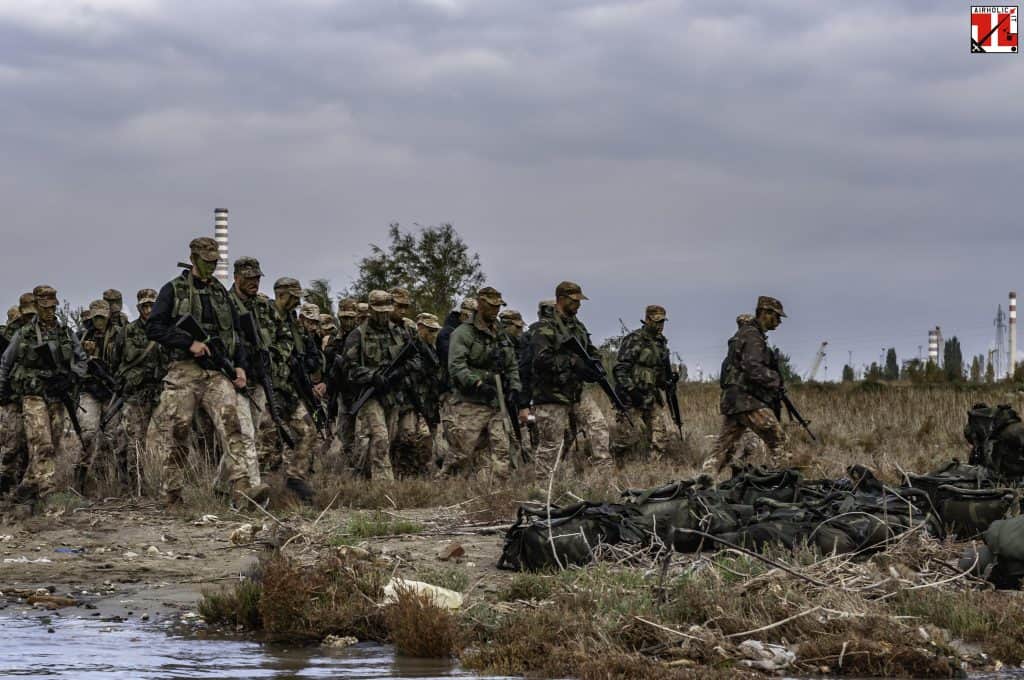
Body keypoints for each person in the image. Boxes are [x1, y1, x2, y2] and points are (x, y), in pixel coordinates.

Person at [146, 237, 267, 507]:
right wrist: (188, 343)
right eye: (206, 261)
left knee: (232, 425)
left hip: (216, 372)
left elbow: (236, 333)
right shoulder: (173, 290)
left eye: (214, 262)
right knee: (179, 432)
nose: (211, 267)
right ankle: (171, 493)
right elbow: (154, 328)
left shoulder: (220, 292)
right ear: (193, 259)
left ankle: (242, 487)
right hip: (184, 370)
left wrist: (239, 366)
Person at [0, 285, 88, 509]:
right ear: (37, 306)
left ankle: (23, 491)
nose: (50, 311)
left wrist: (71, 377)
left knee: (54, 445)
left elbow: (82, 360)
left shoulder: (66, 333)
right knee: (42, 444)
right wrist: (2, 391)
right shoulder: (24, 333)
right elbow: (5, 363)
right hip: (33, 396)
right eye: (45, 306)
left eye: (53, 306)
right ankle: (47, 495)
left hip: (56, 397)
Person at [528, 281, 609, 475]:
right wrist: (572, 362)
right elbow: (541, 360)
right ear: (561, 299)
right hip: (551, 394)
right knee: (551, 444)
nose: (578, 305)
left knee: (599, 427)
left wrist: (594, 365)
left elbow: (589, 350)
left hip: (577, 391)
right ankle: (543, 489)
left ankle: (606, 476)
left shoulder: (578, 327)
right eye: (574, 301)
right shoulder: (542, 328)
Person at [443, 287, 521, 478]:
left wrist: (515, 387)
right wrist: (476, 383)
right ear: (481, 304)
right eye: (491, 305)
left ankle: (499, 492)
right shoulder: (463, 333)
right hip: (471, 401)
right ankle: (445, 486)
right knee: (461, 452)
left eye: (498, 306)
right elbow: (456, 366)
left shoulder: (500, 333)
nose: (495, 310)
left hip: (496, 401)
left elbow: (511, 363)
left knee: (502, 448)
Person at [707, 297, 790, 474]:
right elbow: (753, 369)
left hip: (734, 400)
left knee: (723, 449)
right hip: (747, 400)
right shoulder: (753, 336)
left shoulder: (746, 334)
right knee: (778, 439)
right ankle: (783, 481)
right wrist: (776, 380)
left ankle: (703, 481)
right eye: (777, 316)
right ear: (765, 313)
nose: (779, 321)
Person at [342, 290, 411, 479]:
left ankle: (360, 476)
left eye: (386, 310)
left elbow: (415, 360)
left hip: (392, 393)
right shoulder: (358, 335)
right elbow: (348, 368)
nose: (383, 314)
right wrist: (372, 376)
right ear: (371, 309)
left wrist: (399, 372)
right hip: (369, 394)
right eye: (379, 310)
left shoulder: (399, 332)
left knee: (387, 437)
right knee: (380, 437)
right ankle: (384, 485)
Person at [268, 277, 325, 502]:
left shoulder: (292, 322)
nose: (296, 303)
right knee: (264, 441)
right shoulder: (267, 317)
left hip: (289, 389)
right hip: (268, 387)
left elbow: (308, 357)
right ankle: (232, 486)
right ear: (282, 295)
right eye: (293, 297)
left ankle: (296, 477)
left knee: (308, 431)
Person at [227, 256, 277, 483]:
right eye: (248, 278)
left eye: (256, 278)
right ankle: (253, 485)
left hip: (259, 377)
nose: (253, 282)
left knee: (252, 432)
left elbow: (275, 336)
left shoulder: (263, 306)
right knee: (243, 433)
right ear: (237, 277)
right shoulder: (226, 303)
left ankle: (222, 483)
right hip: (234, 377)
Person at [114, 288, 168, 488]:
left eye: (151, 305)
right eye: (144, 305)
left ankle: (163, 483)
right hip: (135, 393)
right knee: (133, 441)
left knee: (164, 438)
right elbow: (116, 361)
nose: (148, 309)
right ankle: (135, 486)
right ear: (138, 307)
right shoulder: (127, 331)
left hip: (160, 390)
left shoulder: (165, 329)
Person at [611, 305, 674, 462]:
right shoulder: (634, 339)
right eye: (656, 321)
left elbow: (657, 373)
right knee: (627, 437)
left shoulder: (661, 343)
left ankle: (653, 468)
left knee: (661, 434)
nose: (660, 326)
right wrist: (632, 392)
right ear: (647, 320)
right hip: (630, 396)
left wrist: (668, 382)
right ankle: (614, 462)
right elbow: (620, 370)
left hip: (650, 396)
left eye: (662, 322)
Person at [74, 298, 124, 491]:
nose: (99, 322)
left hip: (112, 393)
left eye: (102, 318)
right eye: (96, 318)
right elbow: (73, 365)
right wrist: (86, 361)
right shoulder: (82, 337)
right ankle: (80, 481)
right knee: (87, 433)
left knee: (114, 438)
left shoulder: (120, 335)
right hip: (90, 392)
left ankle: (114, 482)